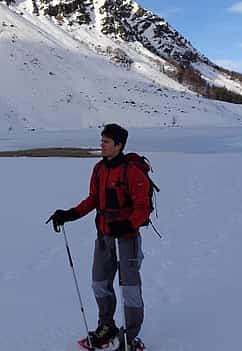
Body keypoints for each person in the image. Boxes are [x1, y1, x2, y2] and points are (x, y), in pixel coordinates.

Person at [47, 124, 150, 351]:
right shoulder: (99, 170)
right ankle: (107, 326)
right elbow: (93, 199)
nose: (101, 144)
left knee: (130, 290)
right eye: (101, 140)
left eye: (106, 141)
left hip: (127, 239)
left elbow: (143, 208)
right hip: (104, 237)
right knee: (99, 283)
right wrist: (70, 214)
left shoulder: (132, 173)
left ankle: (130, 337)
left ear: (119, 145)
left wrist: (126, 225)